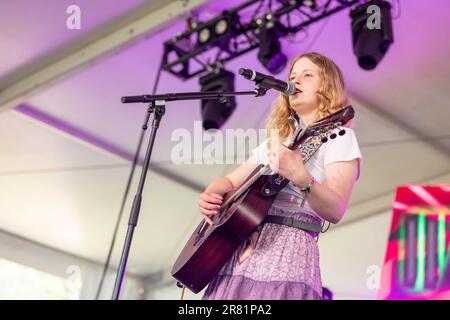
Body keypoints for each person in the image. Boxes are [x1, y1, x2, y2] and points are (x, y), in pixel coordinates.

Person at [198, 52, 362, 300]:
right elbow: (230, 182)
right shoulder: (278, 141)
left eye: (307, 76)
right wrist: (212, 194)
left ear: (327, 85)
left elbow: (336, 209)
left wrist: (300, 176)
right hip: (241, 247)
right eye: (293, 76)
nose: (296, 81)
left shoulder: (340, 137)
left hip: (288, 247)